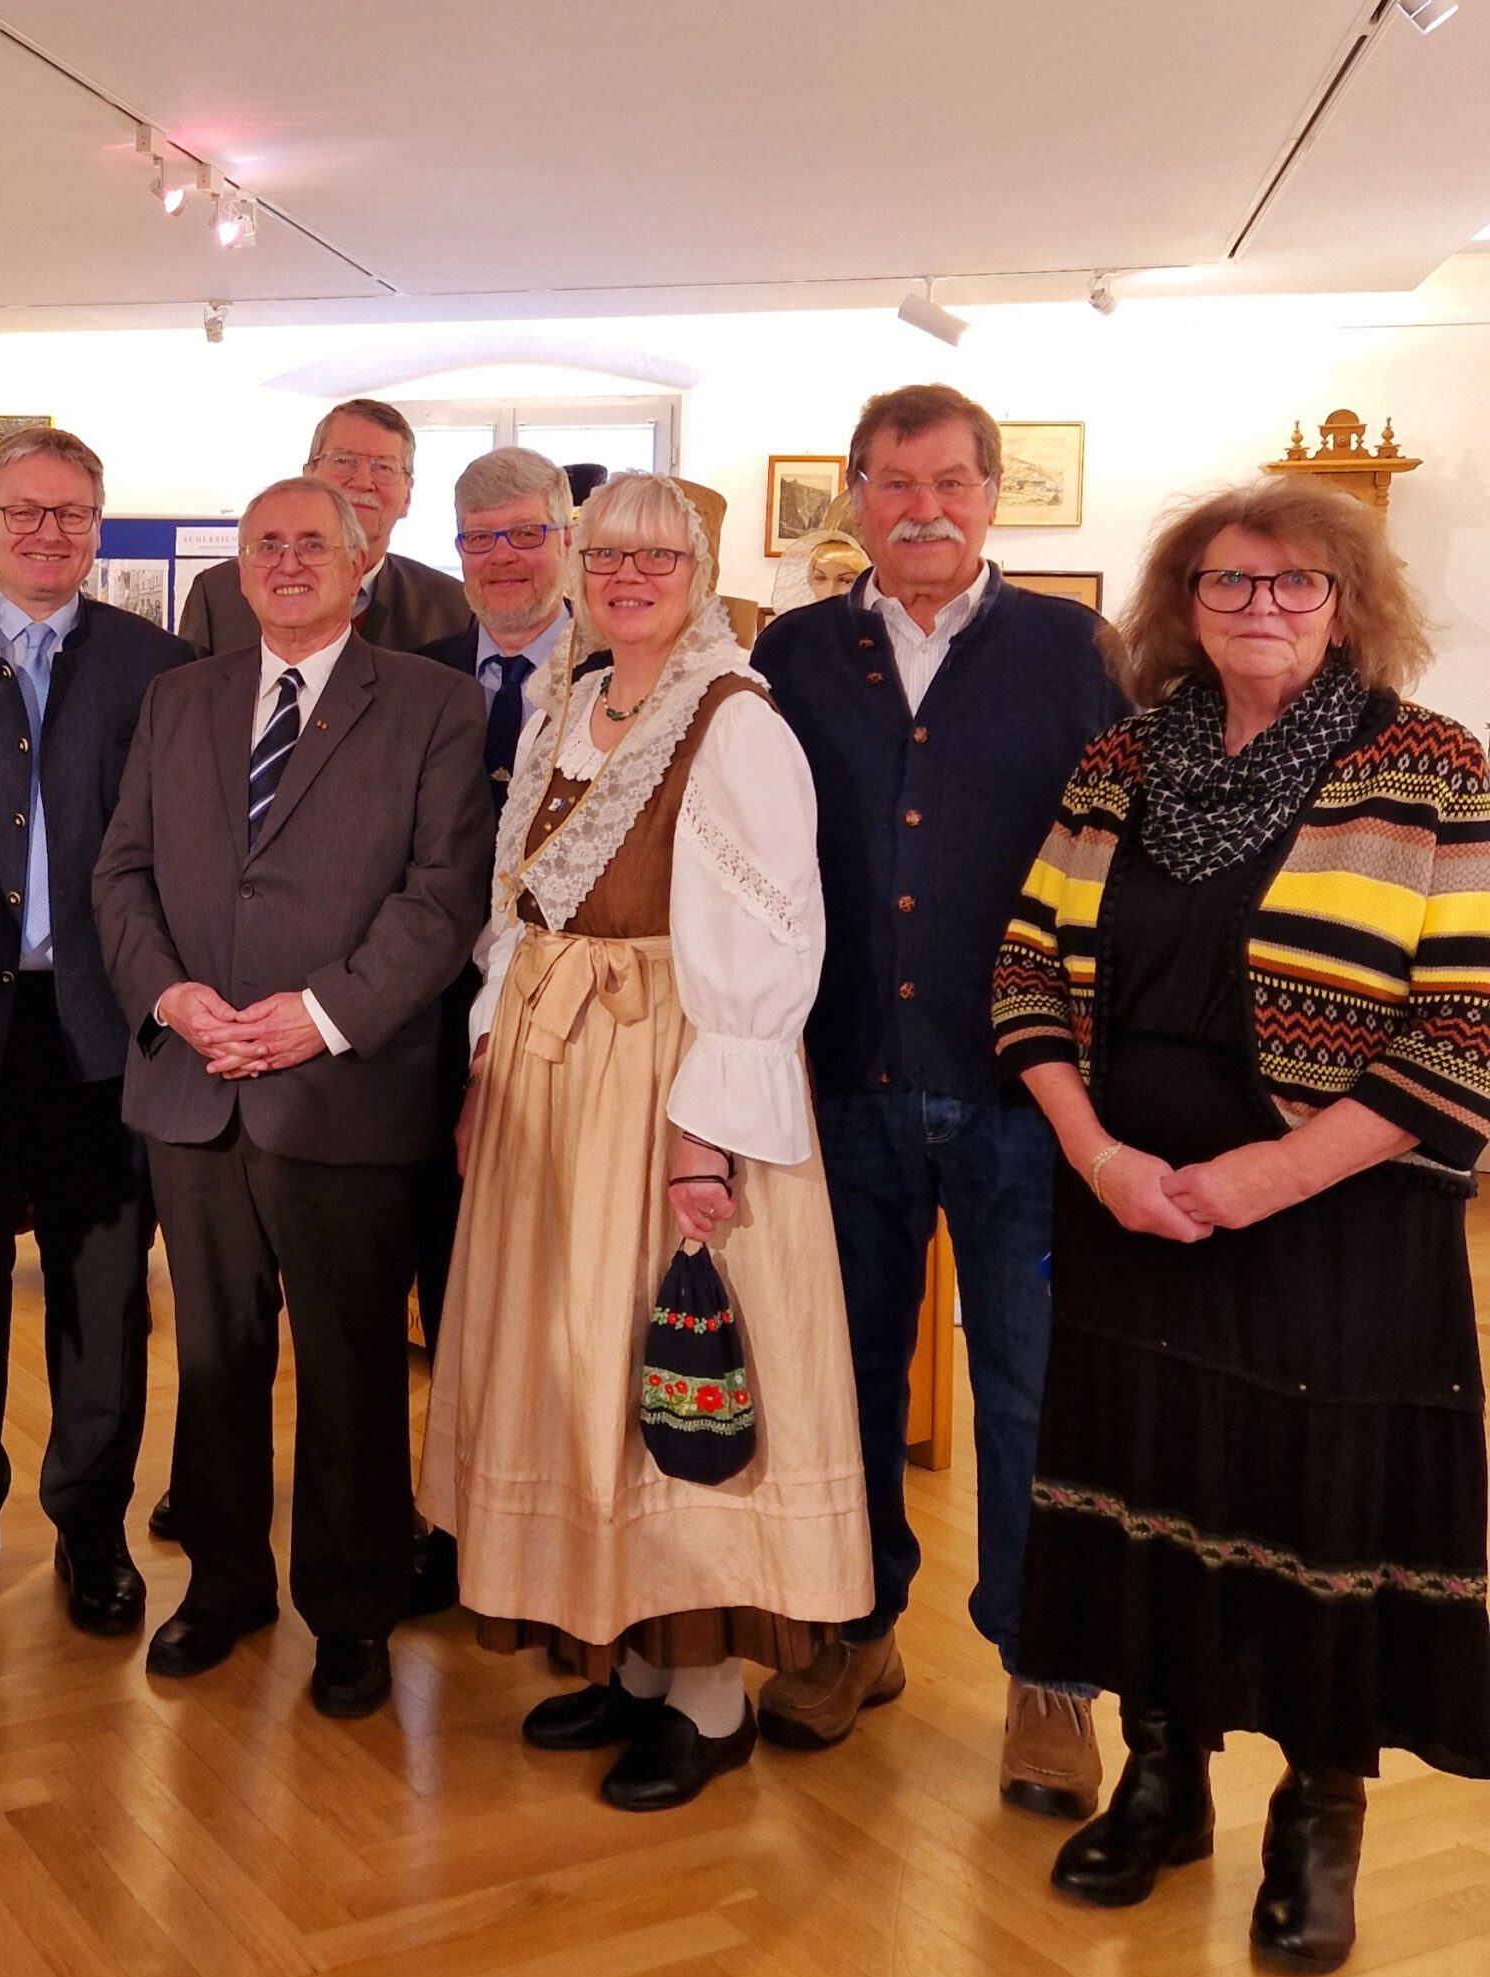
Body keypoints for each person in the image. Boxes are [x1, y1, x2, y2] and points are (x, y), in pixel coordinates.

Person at [992, 477, 1490, 1973]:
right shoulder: (1122, 762)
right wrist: (1097, 1156)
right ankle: (1160, 1778)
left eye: (1294, 585)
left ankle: (1315, 1816)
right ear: (1181, 604)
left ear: (1347, 604)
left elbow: (1463, 1038)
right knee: (1138, 1487)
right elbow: (1025, 973)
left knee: (1311, 1508)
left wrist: (1258, 1182)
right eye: (1228, 583)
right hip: (1133, 1208)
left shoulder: (1433, 771)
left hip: (1337, 1224)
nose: (1261, 607)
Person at [417, 472, 871, 1810]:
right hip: (558, 1081)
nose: (625, 574)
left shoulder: (735, 724)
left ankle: (711, 1695)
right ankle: (625, 1663)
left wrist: (705, 1144)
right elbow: (522, 912)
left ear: (701, 564)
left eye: (654, 556)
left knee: (663, 1366)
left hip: (670, 1082)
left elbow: (774, 942)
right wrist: (493, 1056)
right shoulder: (572, 699)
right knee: (574, 1368)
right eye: (602, 552)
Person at [753, 384, 1122, 1816]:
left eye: (953, 482)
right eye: (895, 482)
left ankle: (1047, 1680)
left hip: (1029, 1098)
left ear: (991, 496)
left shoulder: (1073, 651)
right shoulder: (794, 650)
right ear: (854, 496)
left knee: (1031, 1388)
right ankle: (855, 1633)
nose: (925, 507)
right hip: (839, 1081)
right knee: (839, 1378)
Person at [95, 475, 493, 1719]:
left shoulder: (433, 705)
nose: (285, 562)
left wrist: (316, 1016)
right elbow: (121, 874)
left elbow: (444, 897)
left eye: (310, 543)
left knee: (351, 1367)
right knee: (211, 1358)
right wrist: (169, 998)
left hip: (345, 1092)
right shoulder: (180, 698)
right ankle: (222, 1587)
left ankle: (354, 1607)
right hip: (195, 1084)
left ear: (362, 562)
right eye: (264, 544)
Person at [0, 428, 191, 1631]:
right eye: (24, 511)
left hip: (104, 1037)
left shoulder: (161, 667)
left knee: (104, 1296)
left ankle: (93, 1527)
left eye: (70, 513)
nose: (47, 532)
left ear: (97, 526)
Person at [411, 447, 577, 1355]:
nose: (502, 557)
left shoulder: (618, 673)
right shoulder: (410, 677)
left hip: (569, 1013)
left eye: (526, 533)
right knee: (442, 1250)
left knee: (561, 1266)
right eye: (480, 539)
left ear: (566, 536)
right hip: (427, 1015)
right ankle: (454, 1482)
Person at [177, 399, 469, 656]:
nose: (363, 481)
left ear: (407, 495)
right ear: (308, 477)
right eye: (343, 461)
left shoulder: (451, 610)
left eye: (383, 467)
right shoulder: (217, 597)